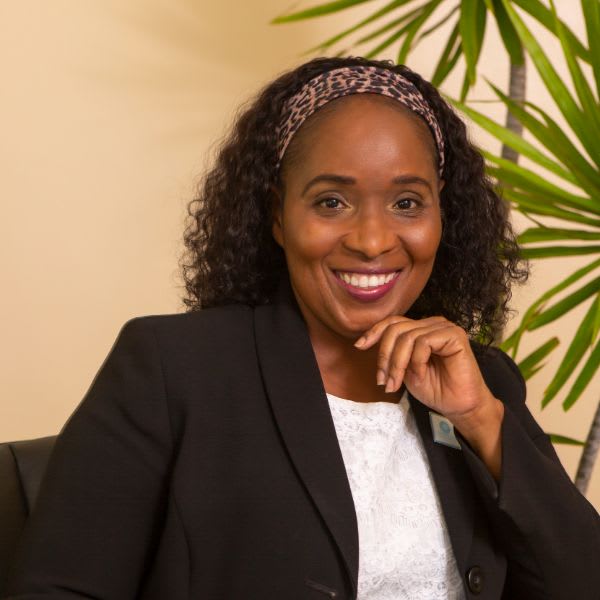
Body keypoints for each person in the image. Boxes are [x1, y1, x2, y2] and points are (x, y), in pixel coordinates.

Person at [5, 56, 600, 600]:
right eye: (331, 202)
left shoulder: (481, 381)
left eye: (407, 203)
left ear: (442, 212)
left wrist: (481, 421)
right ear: (278, 215)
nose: (372, 240)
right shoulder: (175, 369)